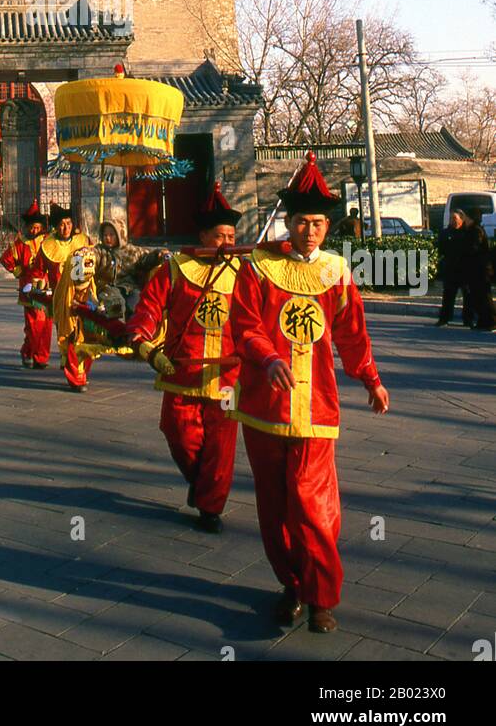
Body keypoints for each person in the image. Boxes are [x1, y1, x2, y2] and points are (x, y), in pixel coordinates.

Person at [230, 152, 389, 634]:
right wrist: (268, 357)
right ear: (289, 222)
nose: (311, 231)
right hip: (264, 407)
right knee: (274, 506)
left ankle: (322, 596)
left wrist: (371, 379)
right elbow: (245, 324)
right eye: (303, 222)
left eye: (319, 223)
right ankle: (291, 585)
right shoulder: (258, 268)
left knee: (313, 504)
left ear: (327, 225)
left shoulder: (336, 273)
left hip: (317, 407)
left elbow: (352, 335)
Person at [125, 184, 242, 533]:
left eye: (232, 236)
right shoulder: (174, 269)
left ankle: (210, 506)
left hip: (227, 376)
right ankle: (203, 484)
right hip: (181, 369)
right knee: (177, 432)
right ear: (203, 235)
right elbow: (147, 310)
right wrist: (144, 345)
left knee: (222, 447)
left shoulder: (246, 274)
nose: (227, 243)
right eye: (220, 236)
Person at [32, 204, 91, 390]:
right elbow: (38, 270)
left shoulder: (83, 241)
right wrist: (37, 286)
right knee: (69, 336)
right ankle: (76, 376)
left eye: (69, 223)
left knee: (85, 337)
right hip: (61, 299)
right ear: (56, 227)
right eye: (62, 224)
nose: (66, 228)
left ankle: (78, 369)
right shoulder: (48, 246)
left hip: (83, 297)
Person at [0, 199, 50, 368]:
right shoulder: (20, 244)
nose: (34, 230)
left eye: (37, 227)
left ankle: (40, 355)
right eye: (32, 227)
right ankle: (31, 353)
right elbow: (5, 259)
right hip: (29, 288)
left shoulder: (48, 241)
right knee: (33, 325)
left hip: (47, 287)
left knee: (46, 325)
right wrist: (18, 271)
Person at [94, 220, 163, 318]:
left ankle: (134, 329)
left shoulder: (131, 251)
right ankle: (117, 328)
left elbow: (146, 258)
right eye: (105, 235)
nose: (108, 238)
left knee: (137, 305)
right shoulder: (100, 251)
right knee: (116, 306)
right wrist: (85, 254)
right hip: (108, 287)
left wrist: (158, 255)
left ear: (120, 235)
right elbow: (92, 255)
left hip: (129, 287)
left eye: (111, 235)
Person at [436, 210, 474, 327]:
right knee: (448, 295)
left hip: (465, 270)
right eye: (451, 218)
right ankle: (444, 319)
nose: (453, 221)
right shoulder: (445, 233)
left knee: (468, 296)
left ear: (461, 219)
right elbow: (440, 249)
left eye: (455, 218)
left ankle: (468, 320)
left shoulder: (468, 233)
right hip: (450, 269)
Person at [463, 208, 494, 331]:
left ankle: (490, 320)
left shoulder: (476, 231)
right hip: (476, 270)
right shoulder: (472, 230)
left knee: (484, 297)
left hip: (480, 270)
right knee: (477, 297)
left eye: (466, 217)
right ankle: (483, 321)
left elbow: (474, 249)